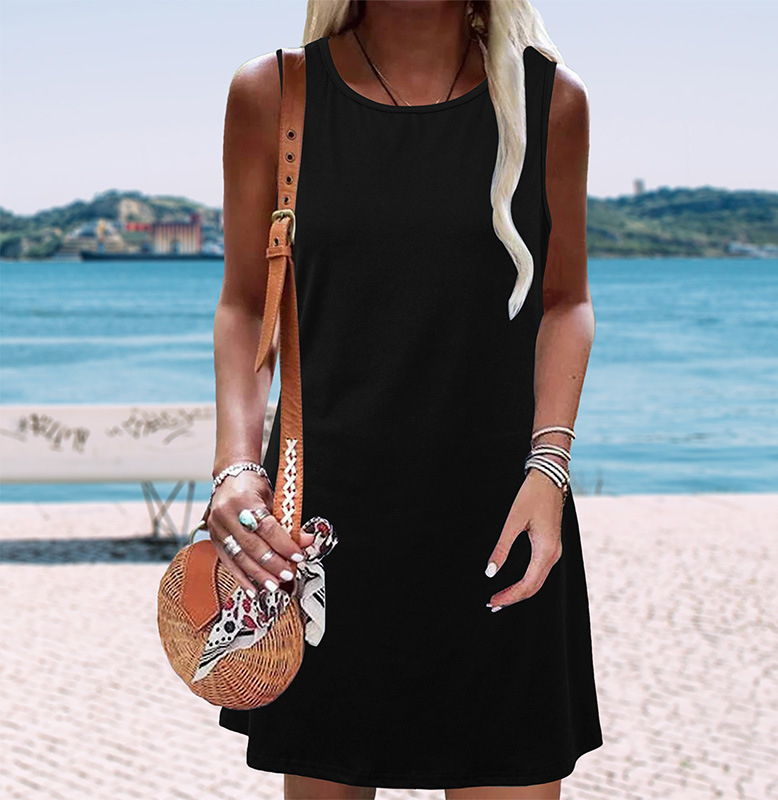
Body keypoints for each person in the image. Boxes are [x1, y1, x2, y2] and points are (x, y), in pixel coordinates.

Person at [206, 1, 602, 798]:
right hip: (321, 536)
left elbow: (565, 303)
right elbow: (246, 304)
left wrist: (550, 467)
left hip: (502, 522)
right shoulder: (274, 93)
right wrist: (235, 468)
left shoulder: (550, 100)